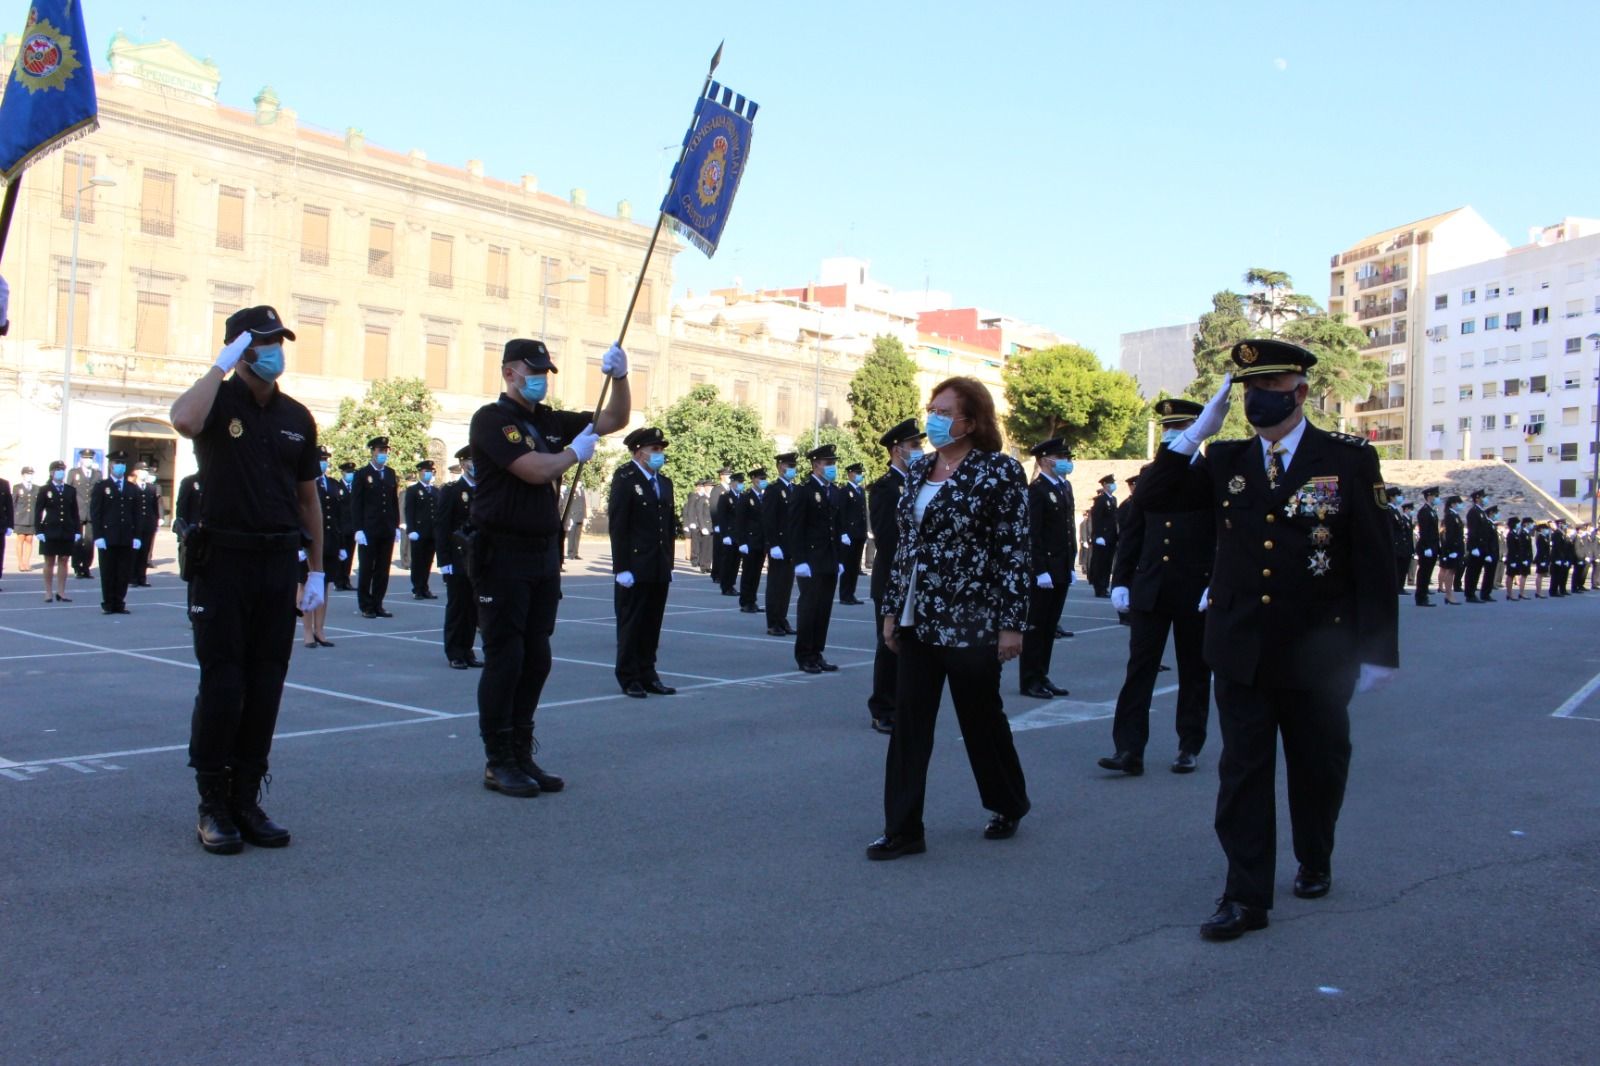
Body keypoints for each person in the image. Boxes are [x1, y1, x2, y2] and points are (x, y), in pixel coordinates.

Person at [1131, 339, 1398, 941]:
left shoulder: (1348, 460)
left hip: (1319, 651)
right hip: (1240, 645)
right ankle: (1245, 896)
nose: (1256, 399)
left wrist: (1378, 648)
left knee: (1318, 767)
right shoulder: (1225, 460)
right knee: (1242, 774)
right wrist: (1195, 433)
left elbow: (1376, 560)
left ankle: (1314, 856)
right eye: (1247, 389)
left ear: (1300, 392)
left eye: (1268, 388)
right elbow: (1150, 500)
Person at [169, 304, 325, 855]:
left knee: (265, 685)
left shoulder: (297, 417)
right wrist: (218, 367)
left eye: (278, 340)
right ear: (239, 348)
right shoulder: (216, 402)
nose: (274, 351)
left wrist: (318, 569)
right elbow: (183, 420)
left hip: (277, 563)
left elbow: (308, 498)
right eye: (262, 342)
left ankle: (246, 797)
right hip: (224, 563)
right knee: (224, 685)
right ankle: (213, 802)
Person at [871, 376, 1031, 859]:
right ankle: (903, 828)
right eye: (932, 409)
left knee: (981, 718)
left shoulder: (999, 472)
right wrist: (892, 610)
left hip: (972, 621)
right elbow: (904, 548)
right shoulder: (918, 469)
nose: (934, 419)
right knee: (909, 725)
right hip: (919, 618)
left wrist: (1011, 622)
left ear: (973, 420)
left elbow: (1014, 550)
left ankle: (1008, 802)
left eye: (944, 411)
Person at [469, 337, 624, 796]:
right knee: (506, 657)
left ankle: (521, 750)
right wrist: (574, 454)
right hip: (501, 552)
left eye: (544, 371)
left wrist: (620, 377)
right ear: (509, 373)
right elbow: (534, 469)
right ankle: (497, 759)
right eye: (530, 370)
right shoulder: (493, 420)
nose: (539, 378)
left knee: (536, 656)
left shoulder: (551, 421)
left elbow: (615, 419)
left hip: (540, 552)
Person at [1101, 398, 1213, 775]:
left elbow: (1222, 536)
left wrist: (1215, 581)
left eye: (1179, 429)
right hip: (1150, 587)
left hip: (1193, 587)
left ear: (1197, 430)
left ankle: (1189, 745)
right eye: (1167, 428)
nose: (1170, 435)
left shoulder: (1210, 475)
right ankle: (1128, 749)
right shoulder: (1151, 474)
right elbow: (1134, 530)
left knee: (1194, 671)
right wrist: (1121, 580)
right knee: (1139, 670)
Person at [609, 426, 677, 698]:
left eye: (661, 450)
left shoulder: (665, 482)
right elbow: (618, 525)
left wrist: (668, 561)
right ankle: (629, 676)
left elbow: (667, 526)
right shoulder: (625, 478)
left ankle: (648, 672)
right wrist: (622, 568)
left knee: (652, 623)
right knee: (632, 623)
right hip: (635, 566)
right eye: (655, 450)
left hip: (658, 565)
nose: (660, 455)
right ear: (639, 452)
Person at [866, 420, 924, 735]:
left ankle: (904, 705)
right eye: (913, 445)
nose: (919, 451)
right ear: (896, 449)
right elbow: (888, 540)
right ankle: (883, 708)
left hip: (919, 578)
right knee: (889, 646)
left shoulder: (922, 483)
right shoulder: (885, 487)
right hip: (893, 577)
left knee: (912, 647)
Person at [1018, 437, 1077, 699]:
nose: (1065, 461)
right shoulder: (1037, 490)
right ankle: (1030, 679)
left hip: (1061, 567)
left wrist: (1070, 562)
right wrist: (1038, 569)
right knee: (1036, 627)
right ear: (1044, 460)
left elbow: (1067, 530)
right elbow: (1033, 533)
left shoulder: (1065, 487)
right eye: (1059, 456)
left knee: (1050, 625)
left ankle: (1042, 674)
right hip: (1044, 571)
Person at [789, 443, 845, 674]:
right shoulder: (804, 491)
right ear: (815, 465)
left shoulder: (835, 491)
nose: (832, 467)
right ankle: (804, 655)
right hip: (810, 561)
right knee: (809, 608)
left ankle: (817, 652)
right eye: (828, 463)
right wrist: (799, 560)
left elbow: (837, 528)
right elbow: (795, 527)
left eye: (834, 463)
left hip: (829, 559)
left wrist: (840, 559)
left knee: (824, 609)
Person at [438, 445, 481, 669]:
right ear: (464, 464)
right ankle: (455, 652)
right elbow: (442, 527)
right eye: (472, 461)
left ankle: (468, 650)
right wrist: (443, 561)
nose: (476, 465)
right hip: (457, 559)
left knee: (474, 608)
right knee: (457, 607)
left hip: (479, 559)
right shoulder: (452, 491)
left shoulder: (486, 489)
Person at [351, 436, 400, 618]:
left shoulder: (390, 473)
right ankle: (366, 605)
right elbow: (356, 504)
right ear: (372, 451)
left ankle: (378, 603)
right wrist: (358, 529)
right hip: (368, 529)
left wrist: (396, 526)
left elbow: (393, 502)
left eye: (385, 451)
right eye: (380, 450)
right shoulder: (362, 474)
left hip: (386, 528)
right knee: (366, 568)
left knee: (382, 569)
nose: (383, 454)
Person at [90, 449, 144, 614]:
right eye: (117, 463)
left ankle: (119, 602)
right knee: (108, 572)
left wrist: (137, 536)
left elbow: (137, 514)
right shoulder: (102, 487)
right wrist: (98, 535)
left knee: (123, 572)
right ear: (110, 465)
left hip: (126, 536)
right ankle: (108, 603)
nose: (120, 466)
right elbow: (96, 513)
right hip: (108, 536)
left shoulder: (131, 488)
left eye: (122, 463)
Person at [762, 453, 799, 635]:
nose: (791, 469)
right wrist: (773, 543)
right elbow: (769, 519)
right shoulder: (773, 490)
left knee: (786, 585)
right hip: (778, 545)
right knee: (776, 584)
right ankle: (773, 622)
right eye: (788, 465)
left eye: (793, 465)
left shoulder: (795, 489)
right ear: (779, 467)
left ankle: (782, 618)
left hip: (791, 544)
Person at [34, 460, 81, 602]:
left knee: (64, 559)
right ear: (52, 472)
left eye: (62, 470)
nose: (61, 473)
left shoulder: (70, 490)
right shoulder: (45, 490)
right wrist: (39, 530)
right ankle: (48, 592)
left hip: (66, 529)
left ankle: (61, 592)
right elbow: (38, 512)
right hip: (50, 529)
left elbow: (75, 512)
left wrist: (77, 530)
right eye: (58, 470)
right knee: (49, 561)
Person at [311, 449, 347, 597]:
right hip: (311, 542)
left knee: (325, 584)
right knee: (306, 584)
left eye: (325, 460)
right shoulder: (307, 483)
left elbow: (338, 516)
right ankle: (307, 621)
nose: (323, 463)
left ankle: (319, 621)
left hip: (330, 541)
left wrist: (342, 545)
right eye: (320, 460)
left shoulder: (333, 484)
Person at [404, 460, 441, 599]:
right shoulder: (413, 490)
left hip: (432, 532)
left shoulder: (436, 491)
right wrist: (411, 529)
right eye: (426, 471)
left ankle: (425, 587)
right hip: (418, 532)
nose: (428, 474)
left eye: (430, 471)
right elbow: (409, 511)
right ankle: (417, 588)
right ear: (420, 472)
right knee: (418, 561)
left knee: (428, 561)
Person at [734, 466, 768, 615]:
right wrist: (742, 542)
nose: (763, 481)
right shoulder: (746, 497)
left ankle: (752, 600)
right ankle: (745, 601)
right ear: (753, 479)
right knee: (748, 572)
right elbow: (740, 521)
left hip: (761, 541)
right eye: (761, 478)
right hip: (749, 541)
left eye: (765, 478)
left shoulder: (764, 497)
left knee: (756, 573)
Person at [837, 462, 869, 605]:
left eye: (860, 473)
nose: (859, 475)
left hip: (859, 533)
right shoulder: (844, 491)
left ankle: (852, 593)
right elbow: (841, 513)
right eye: (857, 473)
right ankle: (845, 594)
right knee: (847, 565)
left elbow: (862, 513)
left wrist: (865, 531)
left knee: (855, 565)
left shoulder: (861, 491)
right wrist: (843, 532)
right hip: (848, 534)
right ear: (850, 474)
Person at [67, 448, 98, 579]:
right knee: (77, 540)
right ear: (81, 460)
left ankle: (86, 567)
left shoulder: (97, 474)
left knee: (90, 541)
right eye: (86, 458)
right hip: (77, 510)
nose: (88, 460)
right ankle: (76, 566)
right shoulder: (74, 473)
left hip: (91, 511)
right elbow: (68, 491)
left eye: (90, 458)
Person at [131, 464, 162, 587]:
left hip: (148, 524)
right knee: (134, 552)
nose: (145, 473)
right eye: (142, 471)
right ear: (136, 472)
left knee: (145, 552)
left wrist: (156, 521)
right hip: (134, 525)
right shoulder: (131, 487)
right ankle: (132, 578)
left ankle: (142, 577)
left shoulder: (151, 488)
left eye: (146, 471)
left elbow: (154, 507)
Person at [1088, 474, 1119, 597]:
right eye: (1110, 483)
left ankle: (1105, 586)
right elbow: (1097, 518)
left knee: (1107, 564)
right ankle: (1099, 588)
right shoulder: (1100, 500)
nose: (1113, 485)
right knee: (1100, 564)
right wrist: (1097, 535)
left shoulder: (1113, 499)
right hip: (1102, 537)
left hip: (1111, 537)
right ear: (1105, 485)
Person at [1463, 489, 1496, 603]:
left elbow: (1484, 533)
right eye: (1483, 497)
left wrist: (1486, 550)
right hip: (1476, 547)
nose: (1485, 499)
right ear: (1477, 498)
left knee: (1476, 572)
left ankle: (1473, 593)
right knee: (1472, 571)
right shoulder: (1473, 512)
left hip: (1482, 547)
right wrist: (1473, 547)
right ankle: (1469, 594)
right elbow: (1473, 531)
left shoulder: (1481, 512)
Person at [713, 471, 742, 596]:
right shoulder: (725, 497)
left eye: (742, 482)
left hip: (739, 535)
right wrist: (724, 535)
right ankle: (726, 586)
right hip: (729, 534)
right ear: (733, 483)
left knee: (736, 562)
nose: (741, 484)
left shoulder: (742, 497)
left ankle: (732, 584)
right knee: (728, 562)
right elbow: (721, 516)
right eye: (739, 482)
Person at [1413, 487, 1440, 607]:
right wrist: (1427, 546)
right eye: (1436, 496)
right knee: (1423, 573)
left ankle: (1424, 594)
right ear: (1429, 496)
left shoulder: (1432, 511)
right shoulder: (1424, 511)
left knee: (1427, 573)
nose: (1437, 498)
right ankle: (1420, 597)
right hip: (1426, 547)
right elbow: (1424, 531)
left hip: (1432, 546)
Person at [333, 462, 357, 590]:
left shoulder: (355, 487)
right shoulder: (337, 487)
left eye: (352, 472)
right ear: (342, 473)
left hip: (352, 527)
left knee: (349, 555)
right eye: (348, 472)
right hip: (341, 527)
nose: (351, 474)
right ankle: (338, 581)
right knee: (340, 555)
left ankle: (346, 579)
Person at [1440, 495, 1467, 605]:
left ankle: (1449, 594)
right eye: (1458, 503)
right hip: (1453, 548)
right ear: (1452, 504)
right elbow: (1450, 534)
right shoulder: (1450, 516)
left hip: (1457, 547)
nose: (1460, 505)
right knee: (1450, 571)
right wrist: (1452, 550)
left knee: (1452, 571)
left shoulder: (1454, 515)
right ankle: (1448, 595)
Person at [683, 479, 712, 572]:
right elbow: (690, 509)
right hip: (696, 523)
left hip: (704, 523)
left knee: (704, 545)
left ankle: (703, 562)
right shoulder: (694, 497)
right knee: (696, 543)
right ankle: (695, 559)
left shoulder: (707, 498)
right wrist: (690, 522)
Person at [11, 466, 35, 579]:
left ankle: (27, 562)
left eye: (30, 474)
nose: (29, 476)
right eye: (27, 474)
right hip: (20, 518)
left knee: (29, 540)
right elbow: (13, 503)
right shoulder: (17, 487)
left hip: (31, 518)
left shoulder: (36, 488)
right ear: (23, 475)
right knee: (20, 538)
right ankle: (20, 563)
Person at [708, 467, 731, 584]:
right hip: (719, 525)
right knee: (718, 550)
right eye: (727, 475)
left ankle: (724, 573)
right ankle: (716, 573)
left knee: (726, 552)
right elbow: (713, 507)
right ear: (721, 476)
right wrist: (716, 524)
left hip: (728, 525)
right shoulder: (717, 490)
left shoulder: (730, 489)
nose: (729, 477)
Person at [1504, 516, 1531, 600]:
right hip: (1512, 558)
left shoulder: (1515, 533)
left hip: (1516, 558)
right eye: (1518, 523)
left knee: (1512, 575)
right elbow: (1511, 548)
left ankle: (1511, 594)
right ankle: (1509, 594)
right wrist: (1512, 560)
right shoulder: (1511, 534)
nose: (1520, 524)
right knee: (1510, 575)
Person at [564, 482, 588, 561]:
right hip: (572, 516)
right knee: (571, 536)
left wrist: (585, 517)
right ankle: (570, 553)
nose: (580, 483)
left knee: (577, 536)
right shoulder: (570, 491)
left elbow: (584, 505)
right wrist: (569, 518)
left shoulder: (582, 491)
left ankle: (576, 553)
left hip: (580, 516)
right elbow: (567, 504)